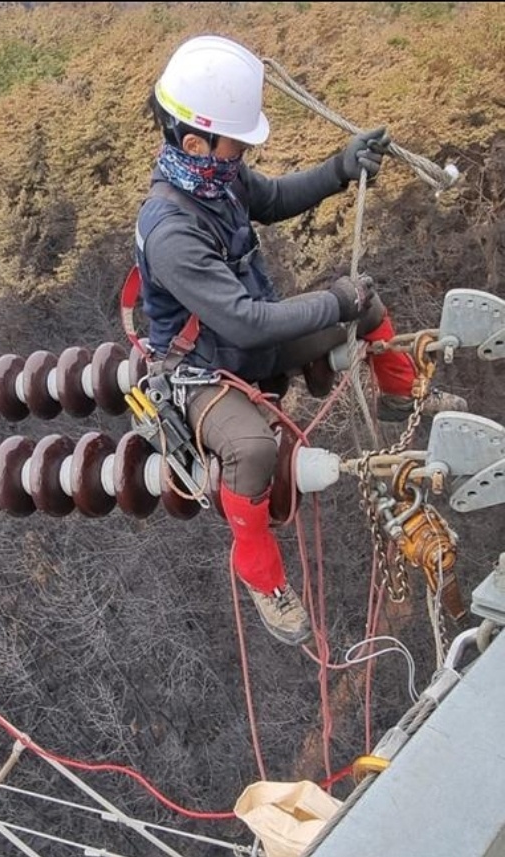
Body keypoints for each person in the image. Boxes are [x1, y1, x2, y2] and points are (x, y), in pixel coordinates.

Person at [134, 34, 467, 645]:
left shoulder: (220, 178)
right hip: (201, 371)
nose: (242, 152)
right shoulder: (172, 229)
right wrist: (330, 302)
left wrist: (341, 169)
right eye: (236, 140)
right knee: (253, 450)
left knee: (364, 307)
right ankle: (261, 575)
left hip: (249, 339)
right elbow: (240, 321)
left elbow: (277, 196)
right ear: (194, 142)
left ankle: (400, 394)